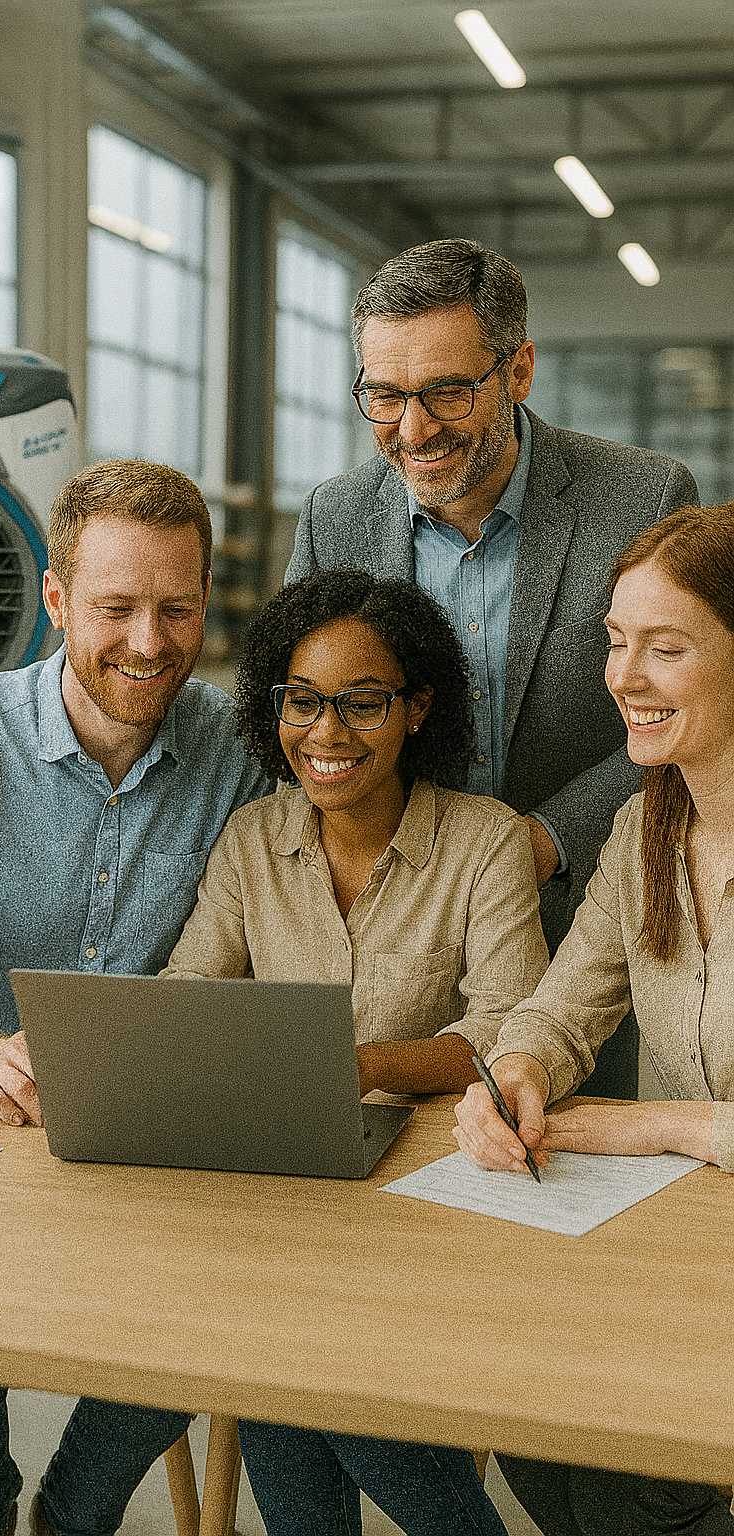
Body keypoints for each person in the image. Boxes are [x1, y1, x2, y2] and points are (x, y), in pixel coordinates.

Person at [0, 459, 271, 1536]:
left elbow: (269, 960)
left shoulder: (243, 751)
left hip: (152, 1136)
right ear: (58, 599)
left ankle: (76, 1514)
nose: (149, 642)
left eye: (176, 607)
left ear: (206, 598)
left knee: (219, 1296)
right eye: (116, 608)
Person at [164, 568, 548, 1535]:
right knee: (283, 1359)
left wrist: (365, 1066)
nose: (325, 733)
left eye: (361, 703)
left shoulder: (485, 842)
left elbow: (509, 1033)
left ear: (418, 708)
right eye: (301, 702)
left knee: (301, 1374)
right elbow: (187, 998)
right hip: (290, 1199)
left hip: (436, 1205)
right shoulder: (253, 838)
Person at [286, 237, 700, 1096]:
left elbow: (685, 716)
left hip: (573, 926)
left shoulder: (642, 499)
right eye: (384, 396)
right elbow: (295, 709)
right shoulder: (335, 517)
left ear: (518, 371)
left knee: (562, 1199)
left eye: (446, 390)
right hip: (391, 948)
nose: (412, 429)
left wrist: (544, 842)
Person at [454, 502, 734, 1536]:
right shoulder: (645, 826)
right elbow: (566, 1004)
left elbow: (653, 1121)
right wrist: (518, 1068)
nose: (623, 677)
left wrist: (658, 1124)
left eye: (665, 649)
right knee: (531, 1427)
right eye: (617, 643)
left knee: (626, 1485)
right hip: (684, 1257)